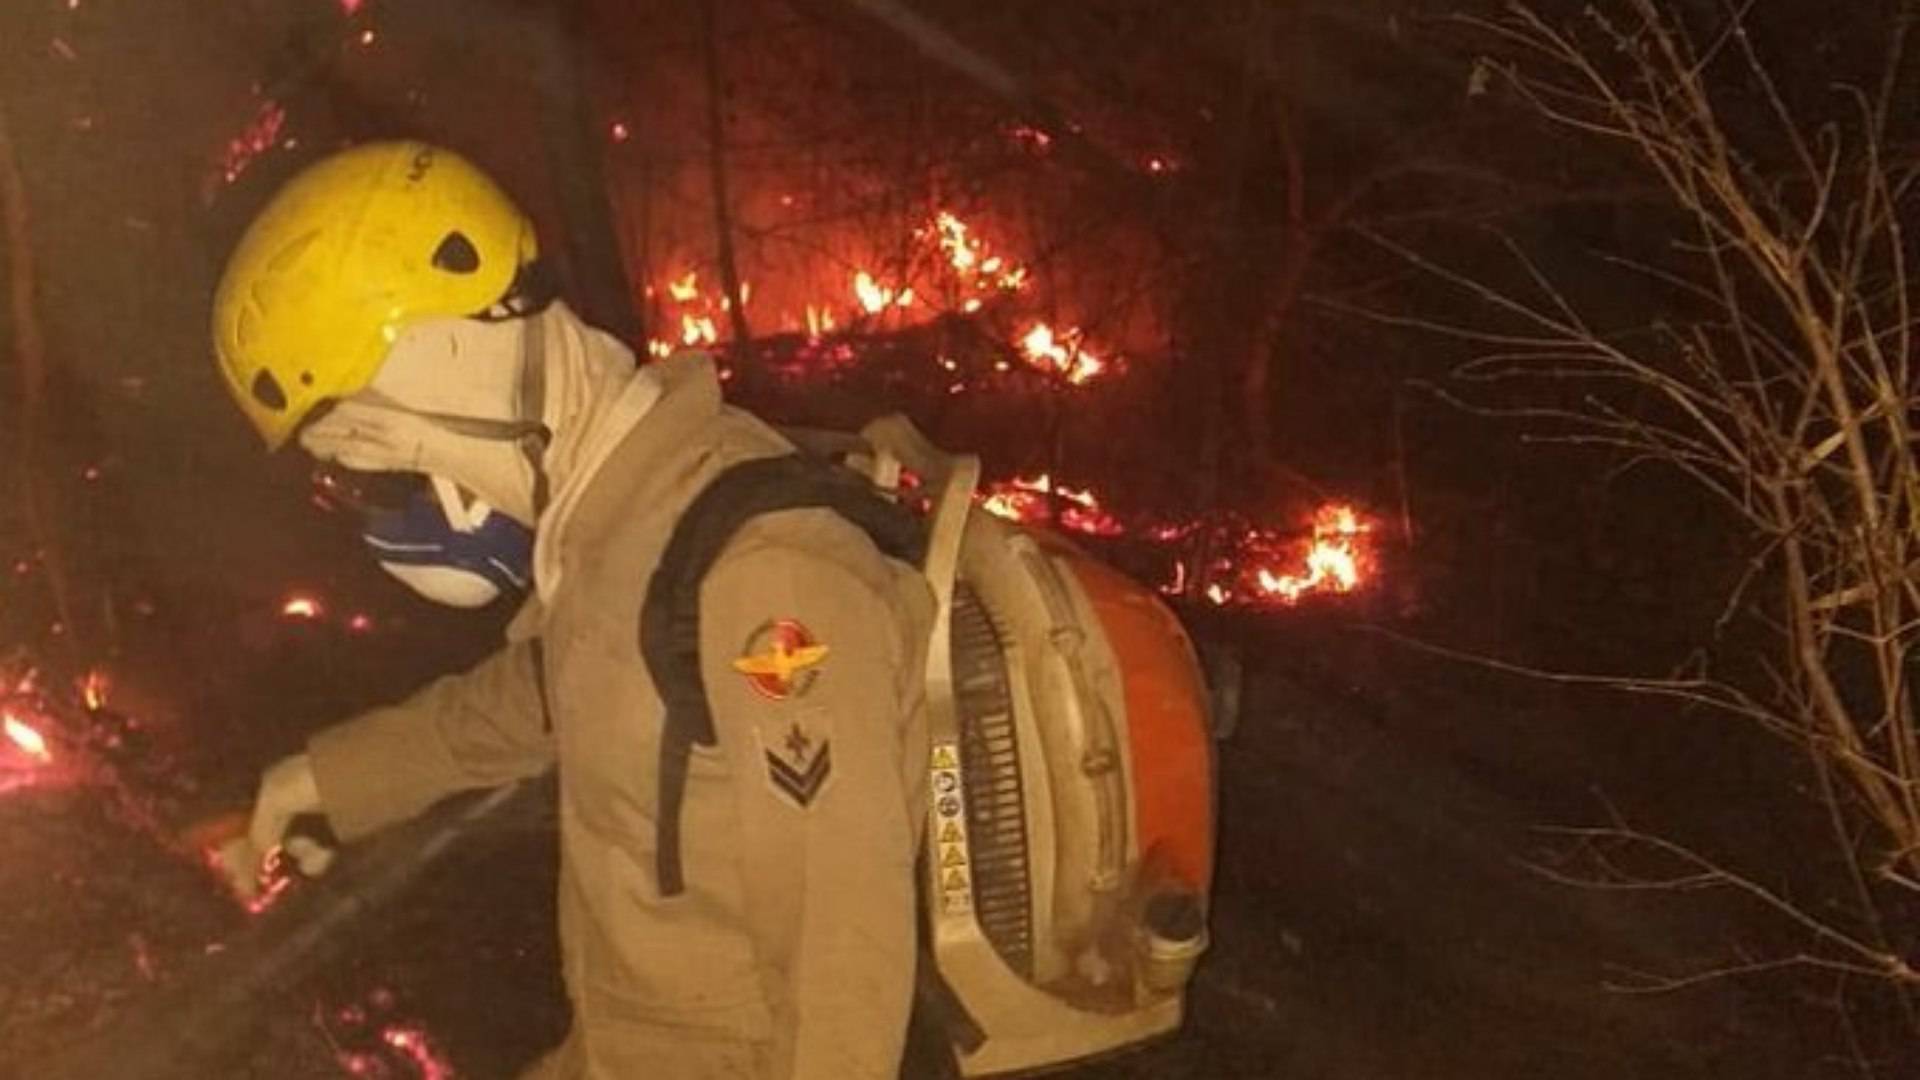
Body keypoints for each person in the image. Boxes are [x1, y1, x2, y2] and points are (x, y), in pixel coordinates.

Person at [210, 141, 937, 1079]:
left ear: (446, 373)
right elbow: (547, 692)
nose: (386, 497)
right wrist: (319, 781)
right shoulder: (623, 524)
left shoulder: (766, 578)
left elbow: (844, 959)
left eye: (366, 455)